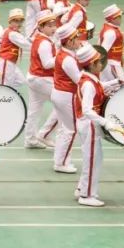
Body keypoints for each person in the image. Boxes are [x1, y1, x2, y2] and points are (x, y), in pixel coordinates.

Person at [73, 43, 113, 207]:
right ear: (91, 64)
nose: (101, 64)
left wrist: (117, 81)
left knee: (95, 158)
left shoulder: (89, 78)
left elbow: (100, 88)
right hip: (89, 124)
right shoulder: (88, 83)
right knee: (92, 159)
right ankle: (87, 195)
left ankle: (82, 188)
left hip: (89, 123)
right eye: (98, 62)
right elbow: (87, 109)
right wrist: (105, 122)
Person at [50, 21, 83, 174]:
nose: (80, 40)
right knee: (72, 129)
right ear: (69, 41)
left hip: (59, 93)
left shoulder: (65, 54)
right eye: (77, 38)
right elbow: (79, 80)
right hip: (66, 95)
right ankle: (61, 163)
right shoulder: (68, 59)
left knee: (64, 129)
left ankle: (60, 159)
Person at [23, 9, 60, 148]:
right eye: (49, 26)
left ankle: (30, 139)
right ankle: (44, 134)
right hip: (43, 79)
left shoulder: (41, 39)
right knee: (63, 104)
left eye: (53, 25)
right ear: (41, 27)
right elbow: (47, 63)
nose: (53, 28)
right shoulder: (44, 42)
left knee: (34, 111)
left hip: (35, 78)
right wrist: (61, 57)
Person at [0, 9, 31, 87]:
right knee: (6, 84)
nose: (18, 23)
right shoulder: (12, 33)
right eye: (16, 21)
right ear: (10, 22)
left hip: (11, 62)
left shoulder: (9, 31)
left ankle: (7, 93)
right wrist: (37, 44)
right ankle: (1, 95)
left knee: (20, 81)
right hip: (6, 61)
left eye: (20, 21)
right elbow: (26, 45)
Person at [98, 4, 124, 82]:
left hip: (110, 64)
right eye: (119, 17)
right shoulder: (111, 32)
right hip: (111, 64)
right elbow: (102, 51)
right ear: (112, 19)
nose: (121, 19)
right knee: (120, 86)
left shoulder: (108, 29)